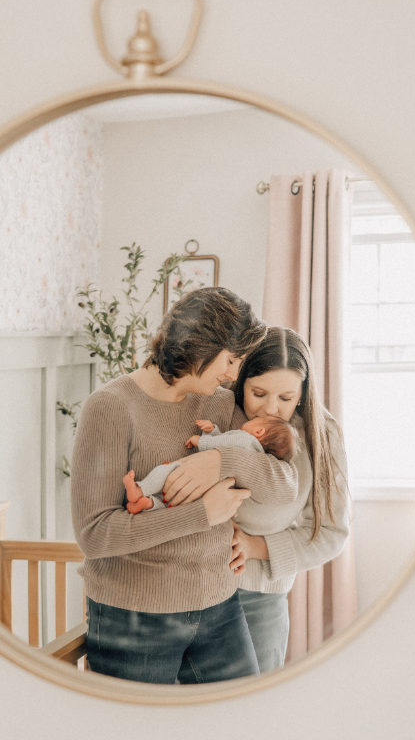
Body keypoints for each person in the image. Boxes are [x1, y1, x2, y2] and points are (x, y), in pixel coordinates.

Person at [70, 287, 299, 685]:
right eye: (231, 359)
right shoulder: (109, 407)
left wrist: (221, 460)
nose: (233, 373)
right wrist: (202, 514)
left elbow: (283, 485)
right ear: (201, 345)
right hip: (134, 616)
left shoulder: (220, 404)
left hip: (221, 605)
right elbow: (95, 534)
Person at [227, 327, 352, 673]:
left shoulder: (321, 434)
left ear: (303, 393)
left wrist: (255, 547)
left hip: (258, 598)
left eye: (285, 398)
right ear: (240, 382)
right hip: (189, 586)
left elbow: (331, 533)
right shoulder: (219, 409)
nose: (269, 409)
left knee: (253, 713)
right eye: (258, 393)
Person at [123, 415, 297, 514]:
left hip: (194, 473)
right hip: (207, 491)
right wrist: (213, 431)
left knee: (169, 468)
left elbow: (224, 444)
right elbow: (226, 444)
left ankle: (139, 490)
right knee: (175, 502)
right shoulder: (255, 454)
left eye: (258, 419)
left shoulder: (246, 438)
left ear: (259, 431)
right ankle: (149, 504)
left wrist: (200, 441)